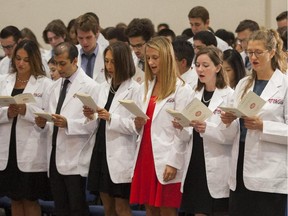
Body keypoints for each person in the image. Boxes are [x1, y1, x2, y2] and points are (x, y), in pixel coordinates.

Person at [221, 29, 287, 216]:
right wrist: (228, 120)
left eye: (258, 52)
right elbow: (234, 124)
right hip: (240, 163)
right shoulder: (243, 84)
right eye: (249, 52)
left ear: (272, 52)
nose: (253, 57)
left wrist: (263, 126)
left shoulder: (284, 85)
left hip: (269, 170)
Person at [130, 36, 192, 216]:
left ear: (166, 56)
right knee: (150, 208)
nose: (150, 62)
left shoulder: (182, 89)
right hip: (145, 153)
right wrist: (137, 123)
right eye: (148, 58)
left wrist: (173, 162)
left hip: (166, 156)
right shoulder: (146, 86)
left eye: (155, 57)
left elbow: (185, 132)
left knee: (167, 210)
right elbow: (143, 123)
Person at [35, 42, 98, 216]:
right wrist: (42, 122)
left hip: (76, 158)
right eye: (56, 63)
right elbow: (51, 118)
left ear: (75, 60)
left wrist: (69, 124)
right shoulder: (54, 86)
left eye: (63, 63)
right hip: (55, 156)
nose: (59, 68)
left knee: (77, 208)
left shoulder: (90, 86)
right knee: (60, 208)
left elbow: (94, 124)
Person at [82, 41, 139, 216]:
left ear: (124, 62)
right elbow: (95, 122)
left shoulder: (135, 89)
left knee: (121, 207)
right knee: (108, 207)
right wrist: (90, 114)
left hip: (121, 152)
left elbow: (136, 126)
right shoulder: (103, 87)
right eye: (106, 61)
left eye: (113, 62)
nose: (109, 66)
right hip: (101, 149)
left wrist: (111, 117)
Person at [177, 46, 234, 216]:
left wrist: (206, 129)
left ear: (217, 67)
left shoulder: (229, 95)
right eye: (198, 65)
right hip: (194, 161)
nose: (200, 69)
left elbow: (231, 136)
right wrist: (181, 126)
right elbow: (187, 135)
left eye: (205, 65)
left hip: (217, 162)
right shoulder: (193, 94)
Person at [0, 39, 52, 216]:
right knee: (15, 199)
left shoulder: (45, 83)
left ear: (34, 60)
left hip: (32, 148)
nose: (21, 63)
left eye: (26, 60)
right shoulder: (4, 80)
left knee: (30, 200)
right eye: (18, 58)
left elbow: (48, 114)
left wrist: (26, 110)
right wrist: (8, 113)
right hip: (8, 149)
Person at [74, 13, 106, 83]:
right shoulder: (71, 54)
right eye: (80, 38)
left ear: (97, 33)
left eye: (88, 37)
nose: (84, 42)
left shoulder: (106, 55)